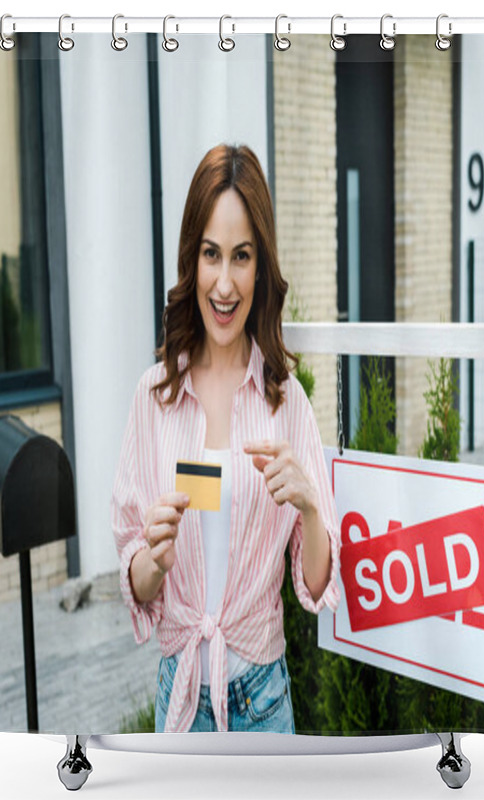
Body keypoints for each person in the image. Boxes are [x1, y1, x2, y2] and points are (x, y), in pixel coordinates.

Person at [111, 144, 340, 734]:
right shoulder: (153, 395)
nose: (225, 282)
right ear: (193, 260)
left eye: (242, 256)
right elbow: (135, 579)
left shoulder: (286, 402)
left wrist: (311, 507)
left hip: (263, 701)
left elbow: (316, 585)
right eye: (212, 254)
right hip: (181, 695)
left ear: (261, 267)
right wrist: (153, 563)